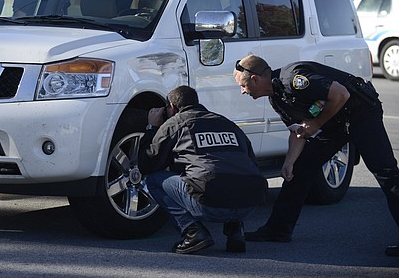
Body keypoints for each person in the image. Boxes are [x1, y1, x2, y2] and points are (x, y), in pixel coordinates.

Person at [234, 54, 399, 257]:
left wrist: (316, 124)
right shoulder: (277, 99)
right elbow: (299, 131)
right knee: (299, 170)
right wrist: (289, 162)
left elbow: (341, 95)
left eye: (242, 86)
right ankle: (278, 230)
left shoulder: (292, 79)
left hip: (361, 114)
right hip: (335, 124)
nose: (242, 92)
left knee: (387, 175)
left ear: (254, 79)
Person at [138, 85, 268, 254]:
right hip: (249, 204)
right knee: (231, 171)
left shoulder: (175, 123)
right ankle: (236, 232)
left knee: (154, 180)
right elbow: (250, 163)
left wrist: (152, 128)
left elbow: (147, 165)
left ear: (172, 107)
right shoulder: (228, 124)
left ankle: (192, 232)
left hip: (210, 203)